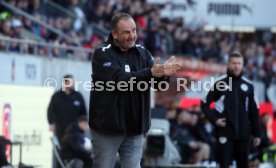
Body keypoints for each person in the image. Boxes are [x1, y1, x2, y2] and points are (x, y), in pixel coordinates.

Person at [89, 12, 180, 168]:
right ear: (115, 34)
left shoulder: (143, 53)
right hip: (107, 129)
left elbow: (159, 86)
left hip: (134, 129)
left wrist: (163, 75)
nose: (132, 35)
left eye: (134, 30)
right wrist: (150, 73)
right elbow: (119, 81)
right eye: (126, 32)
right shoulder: (102, 53)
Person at [201, 52, 261, 168]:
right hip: (225, 132)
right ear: (228, 64)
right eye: (233, 63)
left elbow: (254, 111)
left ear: (242, 65)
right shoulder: (219, 83)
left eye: (239, 63)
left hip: (244, 135)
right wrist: (215, 120)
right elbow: (204, 104)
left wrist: (257, 134)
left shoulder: (249, 86)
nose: (236, 66)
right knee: (224, 165)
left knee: (243, 165)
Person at [47, 74, 87, 168]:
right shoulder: (56, 96)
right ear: (65, 83)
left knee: (80, 157)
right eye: (70, 82)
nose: (73, 84)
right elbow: (50, 111)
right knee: (61, 157)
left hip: (75, 134)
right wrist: (51, 123)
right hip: (61, 133)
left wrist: (84, 125)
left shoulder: (78, 96)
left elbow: (83, 113)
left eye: (73, 82)